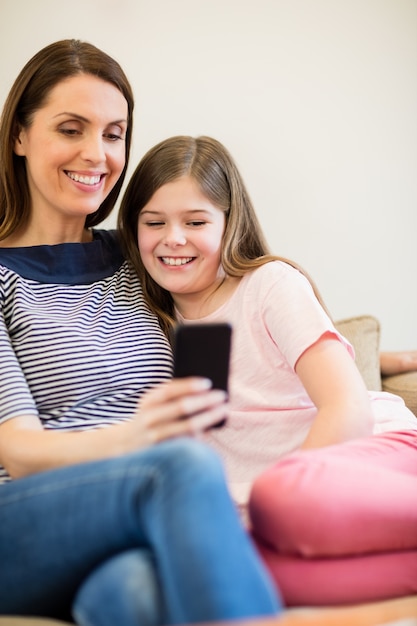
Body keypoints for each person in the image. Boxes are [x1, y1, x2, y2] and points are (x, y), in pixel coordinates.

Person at [0, 43, 282, 625]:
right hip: (23, 521)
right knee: (180, 464)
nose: (96, 154)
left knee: (131, 594)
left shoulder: (143, 252)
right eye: (71, 129)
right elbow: (19, 453)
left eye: (113, 133)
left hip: (134, 516)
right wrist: (139, 438)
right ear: (20, 136)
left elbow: (248, 310)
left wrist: (374, 358)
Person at [118, 134, 417, 607]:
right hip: (272, 510)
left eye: (195, 221)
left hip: (373, 451)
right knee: (242, 576)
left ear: (229, 223)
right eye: (154, 222)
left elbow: (349, 407)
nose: (173, 238)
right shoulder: (147, 324)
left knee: (278, 502)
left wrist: (283, 492)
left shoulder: (269, 285)